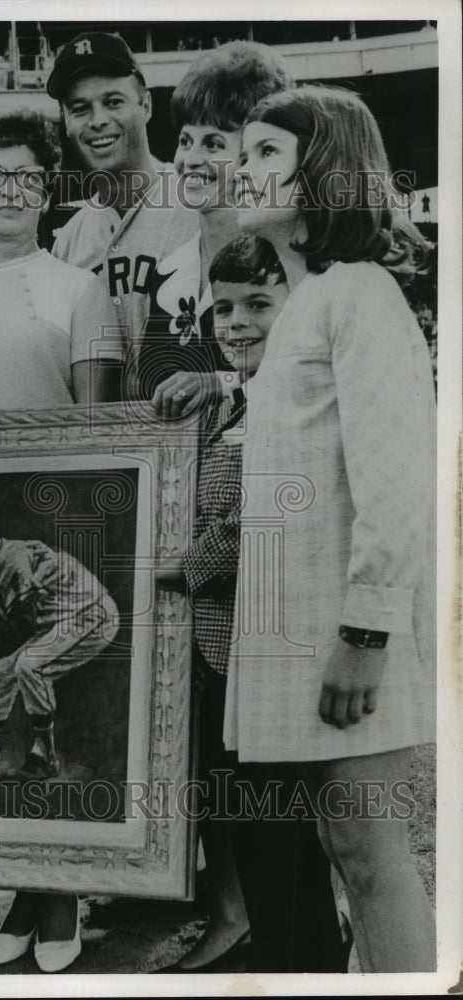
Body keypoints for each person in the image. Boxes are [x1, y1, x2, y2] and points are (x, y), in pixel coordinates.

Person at [227, 85, 436, 971]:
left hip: (344, 635)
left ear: (325, 173)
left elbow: (396, 475)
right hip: (296, 629)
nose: (244, 167)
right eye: (245, 152)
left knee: (370, 858)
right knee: (344, 850)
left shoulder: (359, 292)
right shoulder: (307, 302)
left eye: (267, 153)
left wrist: (364, 631)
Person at [0, 109, 122, 972]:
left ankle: (60, 897)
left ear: (48, 189)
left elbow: (106, 432)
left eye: (26, 175)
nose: (7, 189)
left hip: (61, 524)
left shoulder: (80, 293)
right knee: (6, 722)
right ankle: (18, 889)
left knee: (50, 716)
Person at [159, 235, 348, 973]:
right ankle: (278, 949)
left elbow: (270, 511)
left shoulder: (301, 395)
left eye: (258, 305)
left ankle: (310, 962)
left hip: (273, 653)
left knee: (284, 829)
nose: (236, 323)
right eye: (224, 309)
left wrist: (186, 568)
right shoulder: (232, 397)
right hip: (218, 652)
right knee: (249, 825)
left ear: (292, 308)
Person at [136, 41, 292, 412]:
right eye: (186, 140)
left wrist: (222, 384)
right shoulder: (167, 273)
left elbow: (306, 378)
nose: (190, 159)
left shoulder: (287, 265)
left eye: (213, 143)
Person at [46, 31, 200, 398]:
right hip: (108, 447)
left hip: (194, 437)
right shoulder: (68, 241)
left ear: (145, 105)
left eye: (113, 102)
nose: (97, 120)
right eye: (80, 108)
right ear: (66, 122)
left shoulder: (198, 206)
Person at [0, 508, 119, 779]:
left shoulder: (12, 559)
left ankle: (45, 756)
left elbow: (23, 624)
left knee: (30, 666)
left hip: (91, 612)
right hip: (58, 619)